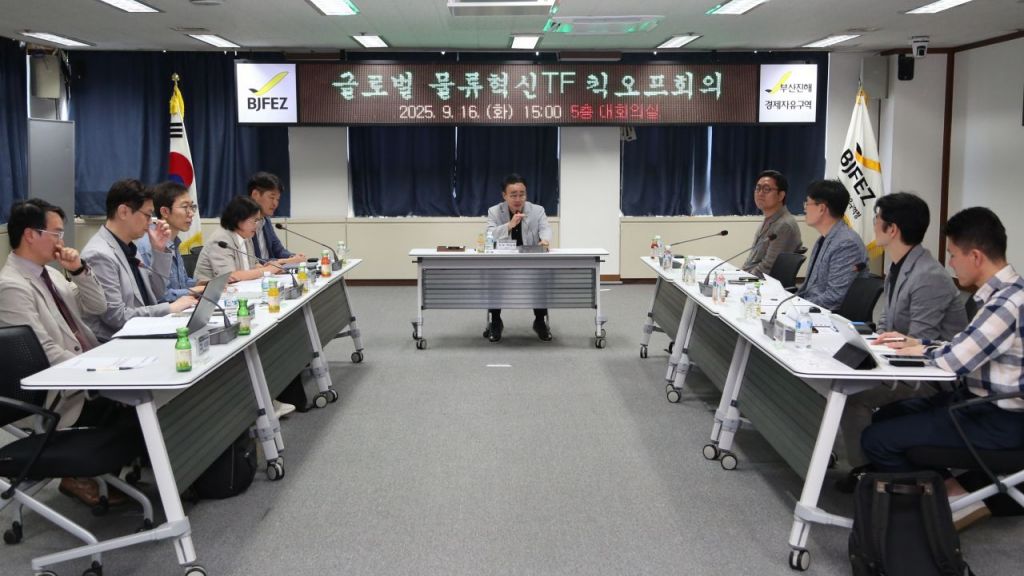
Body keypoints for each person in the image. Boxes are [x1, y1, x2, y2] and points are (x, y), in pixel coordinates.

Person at [863, 207, 1024, 529]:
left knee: (877, 439)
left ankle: (945, 507)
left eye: (952, 255)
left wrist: (922, 349)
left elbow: (955, 361)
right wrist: (919, 344)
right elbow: (962, 345)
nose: (949, 263)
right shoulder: (1004, 295)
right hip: (981, 405)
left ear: (975, 256)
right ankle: (952, 490)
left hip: (999, 420)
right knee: (886, 416)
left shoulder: (1006, 304)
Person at [0, 198, 133, 506]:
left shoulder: (53, 274)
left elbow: (97, 307)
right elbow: (44, 352)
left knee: (149, 401)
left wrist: (79, 270)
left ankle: (107, 473)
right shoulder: (11, 286)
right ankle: (79, 475)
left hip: (86, 372)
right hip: (60, 393)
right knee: (136, 409)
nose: (61, 241)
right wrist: (100, 373)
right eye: (56, 233)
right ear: (30, 234)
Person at [837, 192, 968, 485]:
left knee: (853, 397)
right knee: (843, 380)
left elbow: (918, 342)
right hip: (901, 363)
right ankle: (871, 467)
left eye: (877, 219)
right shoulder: (899, 266)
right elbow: (886, 323)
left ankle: (868, 472)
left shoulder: (928, 275)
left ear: (892, 229)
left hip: (933, 379)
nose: (873, 224)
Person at [81, 179, 196, 342]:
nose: (150, 223)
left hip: (144, 329)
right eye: (147, 215)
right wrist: (169, 308)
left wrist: (159, 251)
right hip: (118, 341)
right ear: (123, 212)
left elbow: (155, 293)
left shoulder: (128, 246)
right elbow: (116, 317)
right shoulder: (99, 254)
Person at [484, 173, 553, 342]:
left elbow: (545, 229)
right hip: (503, 261)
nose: (518, 199)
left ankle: (540, 321)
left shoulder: (537, 210)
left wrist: (544, 240)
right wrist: (510, 225)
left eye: (522, 194)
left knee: (541, 278)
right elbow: (489, 235)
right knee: (494, 278)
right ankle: (495, 321)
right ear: (504, 195)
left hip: (530, 260)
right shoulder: (494, 211)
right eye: (513, 195)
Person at [796, 179, 867, 311]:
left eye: (807, 203)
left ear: (821, 208)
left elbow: (834, 298)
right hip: (811, 308)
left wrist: (799, 306)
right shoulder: (824, 238)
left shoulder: (846, 244)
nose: (805, 208)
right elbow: (809, 288)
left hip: (828, 316)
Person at [136, 181, 206, 301]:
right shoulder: (149, 245)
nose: (191, 213)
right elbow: (159, 296)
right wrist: (195, 290)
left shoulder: (173, 241)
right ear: (165, 212)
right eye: (185, 207)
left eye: (192, 207)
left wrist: (201, 284)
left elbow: (182, 283)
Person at [193, 196, 285, 282]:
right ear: (239, 219)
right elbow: (230, 276)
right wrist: (266, 270)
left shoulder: (246, 237)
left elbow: (253, 265)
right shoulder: (221, 240)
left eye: (258, 221)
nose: (256, 225)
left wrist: (268, 268)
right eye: (254, 220)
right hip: (209, 292)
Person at [741, 170, 803, 277]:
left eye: (766, 189)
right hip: (752, 278)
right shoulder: (769, 220)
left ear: (781, 195)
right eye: (758, 188)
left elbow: (768, 268)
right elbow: (752, 260)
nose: (760, 193)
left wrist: (743, 278)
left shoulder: (784, 225)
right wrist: (739, 274)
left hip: (764, 283)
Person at [248, 172, 304, 265]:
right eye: (271, 197)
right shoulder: (243, 223)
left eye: (277, 199)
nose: (275, 204)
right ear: (255, 195)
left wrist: (293, 257)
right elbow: (251, 262)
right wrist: (284, 261)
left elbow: (278, 250)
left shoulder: (266, 221)